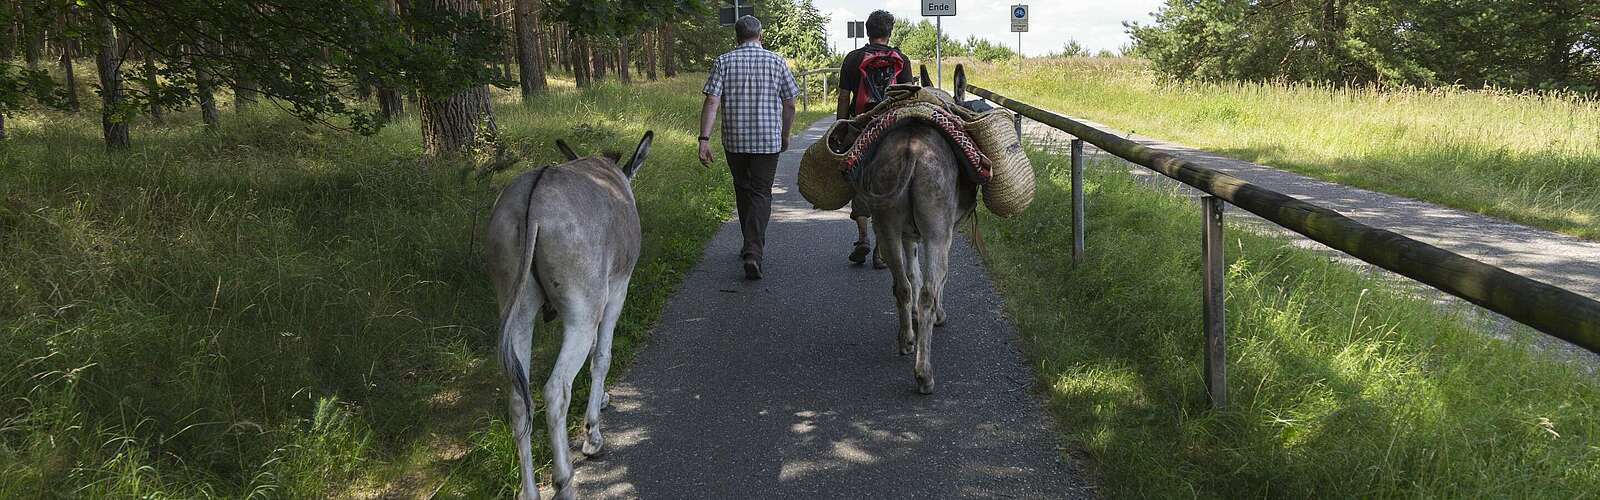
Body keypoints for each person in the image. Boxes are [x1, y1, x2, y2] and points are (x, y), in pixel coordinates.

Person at [698, 15, 800, 280]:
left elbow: (711, 102)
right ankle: (754, 251)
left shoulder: (723, 61)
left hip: (735, 141)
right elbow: (790, 104)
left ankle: (749, 245)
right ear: (761, 35)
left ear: (736, 37)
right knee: (761, 192)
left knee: (743, 190)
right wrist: (785, 134)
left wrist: (704, 139)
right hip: (767, 142)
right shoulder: (777, 61)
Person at [836, 10, 912, 269]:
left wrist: (842, 126)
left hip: (861, 126)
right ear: (890, 31)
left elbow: (844, 97)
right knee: (892, 185)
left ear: (868, 31)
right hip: (891, 128)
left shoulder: (853, 58)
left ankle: (863, 238)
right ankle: (881, 250)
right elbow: (908, 96)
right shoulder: (901, 58)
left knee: (858, 180)